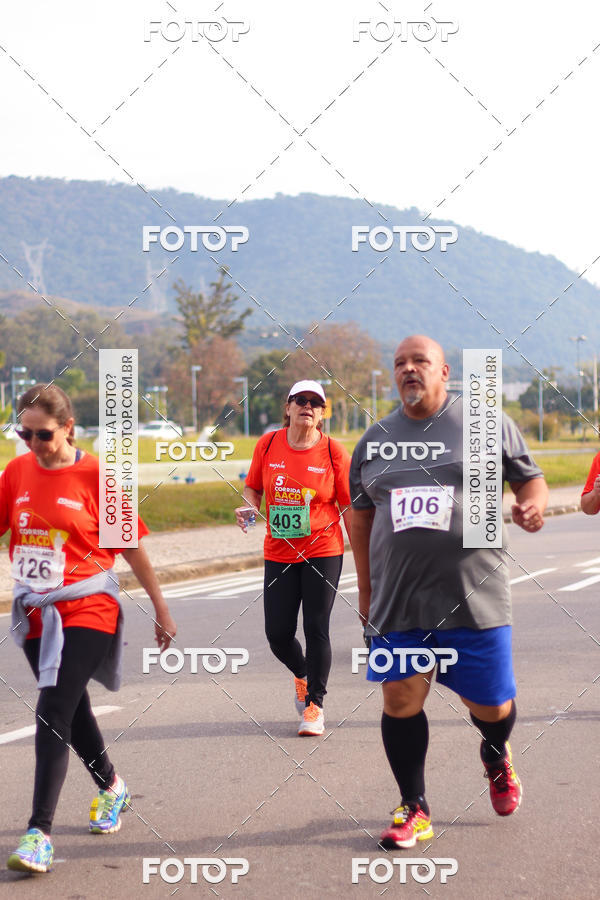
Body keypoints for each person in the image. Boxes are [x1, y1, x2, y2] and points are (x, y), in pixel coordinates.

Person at [349, 336, 548, 848]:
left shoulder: (485, 426)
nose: (409, 370)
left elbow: (531, 480)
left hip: (474, 596)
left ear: (444, 372)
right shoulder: (374, 441)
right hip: (399, 600)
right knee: (400, 698)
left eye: (420, 362)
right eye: (399, 364)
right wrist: (366, 591)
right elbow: (361, 516)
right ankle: (413, 805)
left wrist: (531, 506)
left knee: (492, 707)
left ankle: (495, 753)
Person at [2, 384, 176, 874]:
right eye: (25, 433)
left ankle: (39, 833)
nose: (34, 443)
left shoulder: (97, 476)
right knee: (72, 710)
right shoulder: (16, 471)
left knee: (52, 706)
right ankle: (113, 786)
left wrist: (161, 608)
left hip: (89, 608)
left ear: (68, 428)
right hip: (37, 612)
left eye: (44, 434)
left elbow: (133, 548)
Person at [235, 380, 352, 736]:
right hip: (280, 551)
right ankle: (302, 675)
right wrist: (249, 507)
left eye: (316, 403)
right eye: (300, 400)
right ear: (287, 407)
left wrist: (366, 553)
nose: (308, 407)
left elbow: (347, 505)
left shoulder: (333, 452)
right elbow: (253, 487)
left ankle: (315, 706)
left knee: (316, 627)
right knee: (278, 633)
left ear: (322, 413)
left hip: (323, 549)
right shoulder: (268, 444)